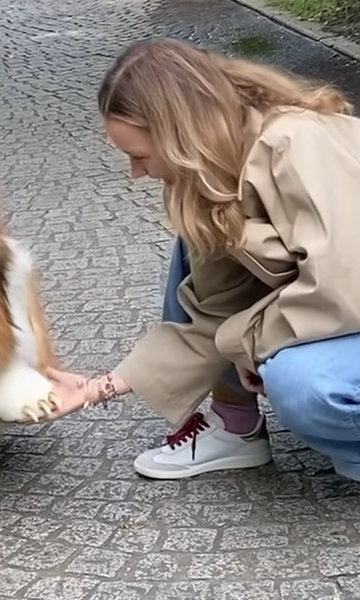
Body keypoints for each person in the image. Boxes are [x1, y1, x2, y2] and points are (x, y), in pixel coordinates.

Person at [44, 37, 360, 483]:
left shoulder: (297, 142)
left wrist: (247, 342)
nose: (136, 174)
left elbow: (347, 288)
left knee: (306, 385)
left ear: (181, 136)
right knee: (195, 245)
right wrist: (97, 388)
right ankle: (236, 429)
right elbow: (212, 310)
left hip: (351, 305)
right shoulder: (213, 181)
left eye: (139, 156)